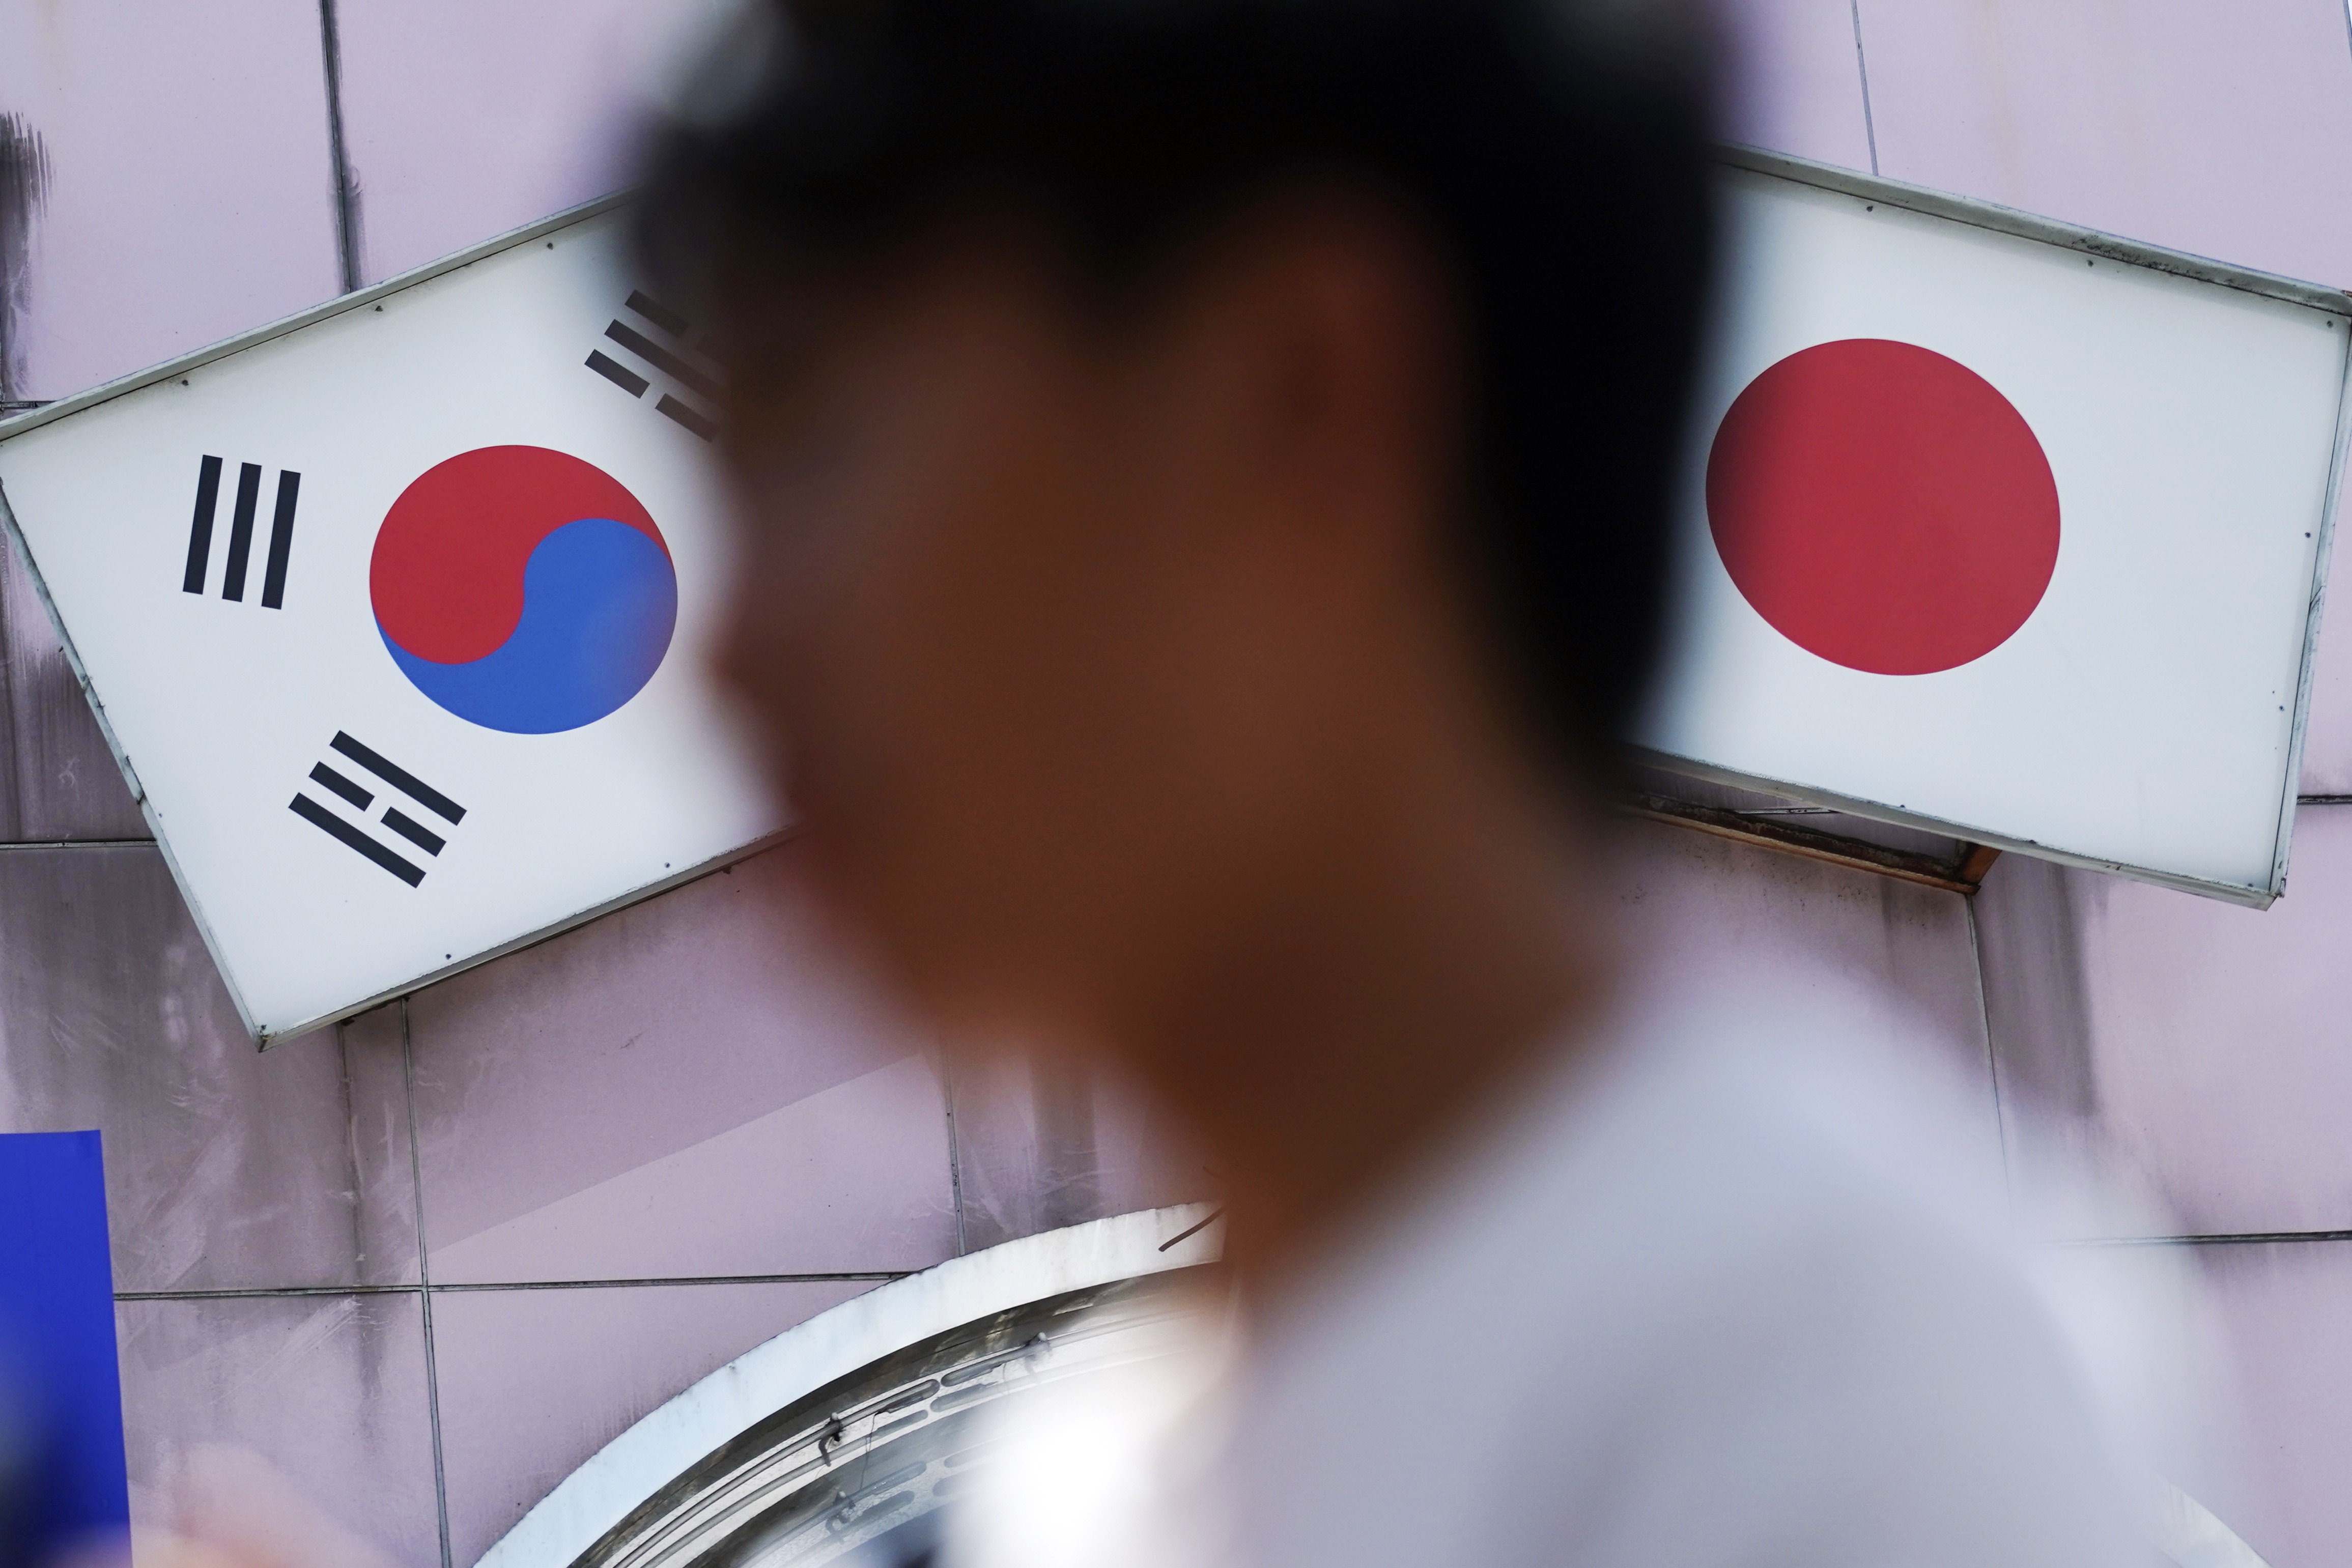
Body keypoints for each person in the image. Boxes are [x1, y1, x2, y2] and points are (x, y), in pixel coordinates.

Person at [637, 2, 2146, 1563]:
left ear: (1300, 397)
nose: (730, 646)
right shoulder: (1092, 1483)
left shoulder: (1821, 1360)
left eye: (808, 431)